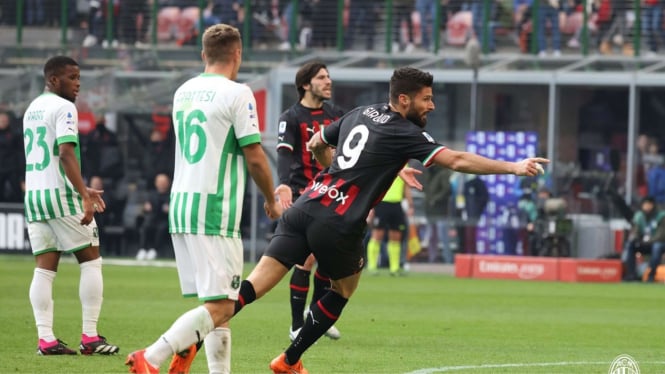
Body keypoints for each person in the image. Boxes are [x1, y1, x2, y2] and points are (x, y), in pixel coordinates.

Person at [225, 66, 548, 373]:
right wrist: (514, 167)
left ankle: (191, 336)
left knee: (254, 285)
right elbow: (458, 159)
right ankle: (289, 359)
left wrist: (346, 172)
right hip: (338, 220)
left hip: (306, 205)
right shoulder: (403, 132)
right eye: (427, 99)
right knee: (342, 290)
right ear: (404, 100)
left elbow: (316, 143)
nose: (432, 106)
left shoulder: (361, 111)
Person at [125, 23, 281, 374]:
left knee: (216, 302)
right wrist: (271, 199)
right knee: (224, 306)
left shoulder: (183, 92)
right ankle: (151, 357)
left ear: (203, 55)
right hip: (214, 208)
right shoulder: (238, 93)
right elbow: (254, 155)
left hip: (182, 205)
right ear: (238, 54)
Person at [23, 55, 119, 356]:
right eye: (71, 77)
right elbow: (65, 154)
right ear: (53, 79)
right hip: (61, 196)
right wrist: (84, 195)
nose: (77, 84)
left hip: (35, 196)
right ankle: (90, 337)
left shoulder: (32, 108)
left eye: (79, 78)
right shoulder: (64, 107)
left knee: (44, 268)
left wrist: (82, 187)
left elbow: (53, 157)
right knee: (91, 259)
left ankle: (46, 340)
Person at [274, 61, 345, 342]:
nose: (328, 81)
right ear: (306, 84)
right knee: (306, 259)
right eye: (322, 78)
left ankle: (317, 316)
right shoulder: (291, 117)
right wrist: (283, 184)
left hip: (332, 192)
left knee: (327, 260)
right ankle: (296, 325)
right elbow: (284, 153)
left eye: (329, 76)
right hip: (304, 193)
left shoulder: (336, 115)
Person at [366, 175, 414, 275]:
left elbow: (406, 186)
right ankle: (372, 266)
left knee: (396, 237)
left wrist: (410, 205)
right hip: (381, 203)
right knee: (377, 235)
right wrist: (370, 205)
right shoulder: (384, 161)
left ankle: (394, 268)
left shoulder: (405, 166)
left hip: (397, 204)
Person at [622, 196, 665, 282]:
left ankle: (651, 274)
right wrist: (636, 239)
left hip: (658, 243)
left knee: (657, 247)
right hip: (643, 243)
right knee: (630, 245)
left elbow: (661, 235)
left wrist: (649, 241)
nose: (647, 207)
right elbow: (636, 231)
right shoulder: (639, 216)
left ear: (653, 205)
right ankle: (631, 274)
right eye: (645, 205)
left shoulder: (661, 216)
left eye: (649, 204)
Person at [136, 173, 171, 260]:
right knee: (145, 226)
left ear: (168, 183)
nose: (162, 184)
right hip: (152, 218)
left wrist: (170, 209)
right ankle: (142, 249)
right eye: (160, 182)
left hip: (165, 219)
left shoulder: (171, 195)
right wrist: (146, 207)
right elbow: (144, 208)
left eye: (164, 182)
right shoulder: (151, 194)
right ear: (156, 183)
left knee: (161, 228)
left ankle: (154, 250)